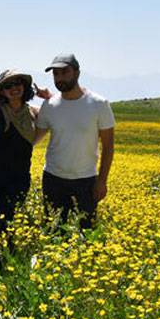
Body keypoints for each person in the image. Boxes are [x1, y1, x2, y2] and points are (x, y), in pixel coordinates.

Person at [33, 53, 115, 232]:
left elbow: (108, 147)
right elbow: (34, 138)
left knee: (87, 235)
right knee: (52, 233)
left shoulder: (99, 104)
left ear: (77, 73)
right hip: (53, 179)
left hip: (86, 182)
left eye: (64, 72)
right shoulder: (49, 105)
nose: (60, 78)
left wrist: (102, 181)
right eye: (56, 74)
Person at [0, 69, 38, 267]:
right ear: (1, 91)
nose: (14, 89)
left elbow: (60, 113)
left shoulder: (33, 113)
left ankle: (9, 267)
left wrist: (48, 96)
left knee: (11, 223)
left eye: (18, 84)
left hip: (19, 179)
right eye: (8, 86)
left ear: (25, 87)